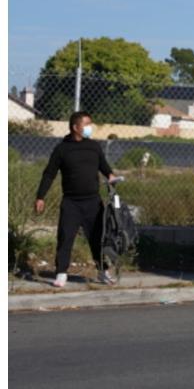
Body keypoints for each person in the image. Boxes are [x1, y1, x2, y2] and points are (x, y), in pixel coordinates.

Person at [34, 111, 119, 287]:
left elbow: (104, 167)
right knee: (65, 237)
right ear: (75, 127)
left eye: (90, 124)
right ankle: (61, 273)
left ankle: (103, 271)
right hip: (71, 203)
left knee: (97, 238)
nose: (90, 127)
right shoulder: (62, 149)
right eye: (86, 124)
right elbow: (49, 174)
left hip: (93, 202)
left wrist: (111, 176)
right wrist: (40, 197)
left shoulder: (94, 147)